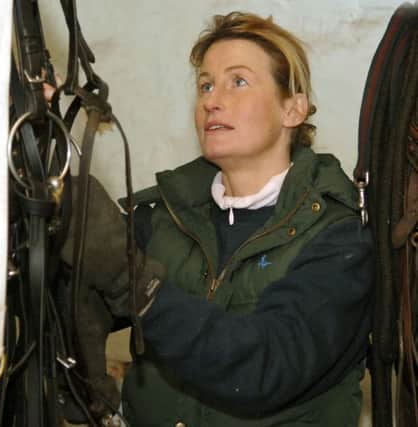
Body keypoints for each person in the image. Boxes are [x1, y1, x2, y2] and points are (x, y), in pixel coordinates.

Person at [59, 11, 374, 427]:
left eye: (237, 81)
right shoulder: (164, 217)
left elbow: (265, 365)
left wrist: (133, 282)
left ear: (293, 109)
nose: (211, 99)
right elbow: (64, 301)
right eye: (205, 85)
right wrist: (41, 150)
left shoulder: (339, 238)